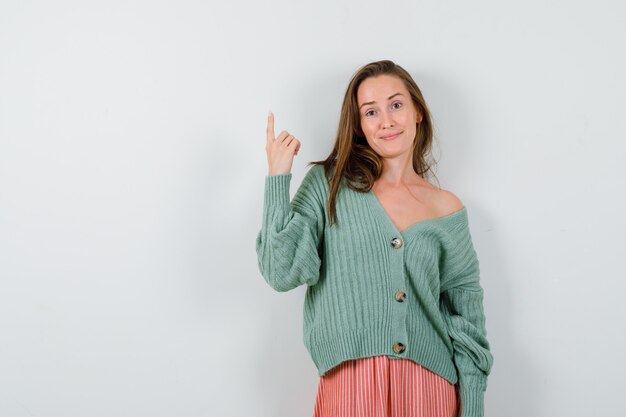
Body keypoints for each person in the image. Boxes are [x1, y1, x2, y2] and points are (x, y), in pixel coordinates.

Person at [255, 60, 494, 417]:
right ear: (360, 126)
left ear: (417, 113)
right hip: (350, 388)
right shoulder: (328, 185)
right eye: (371, 112)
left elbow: (467, 323)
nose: (386, 121)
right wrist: (277, 178)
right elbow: (281, 271)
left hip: (429, 391)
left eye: (396, 105)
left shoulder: (447, 209)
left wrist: (472, 409)